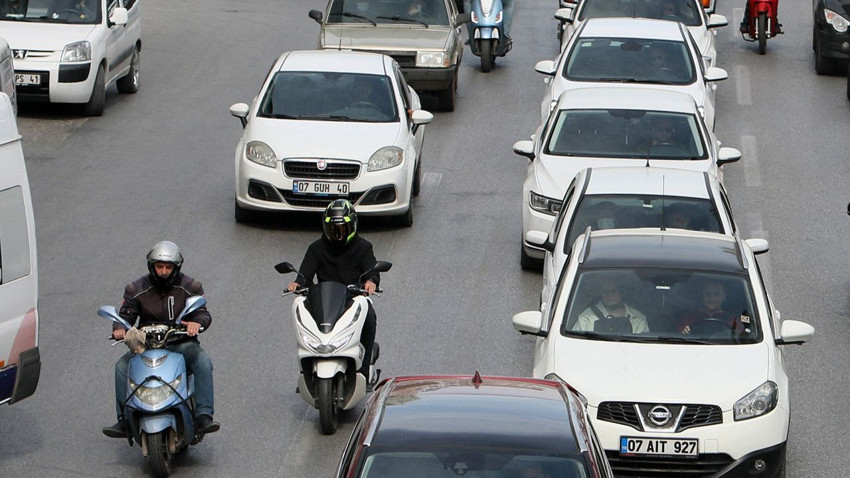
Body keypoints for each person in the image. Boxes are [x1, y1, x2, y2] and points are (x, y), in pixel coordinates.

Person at [103, 241, 220, 438]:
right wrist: (120, 328)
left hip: (180, 344)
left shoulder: (191, 286)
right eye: (159, 267)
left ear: (176, 268)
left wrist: (196, 323)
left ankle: (203, 415)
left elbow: (203, 313)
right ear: (151, 267)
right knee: (122, 367)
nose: (164, 272)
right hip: (146, 346)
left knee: (203, 361)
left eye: (168, 267)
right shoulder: (135, 288)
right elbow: (125, 316)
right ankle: (124, 420)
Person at [287, 199, 380, 384]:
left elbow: (372, 271)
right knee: (299, 306)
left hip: (354, 299)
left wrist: (370, 282)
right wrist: (297, 284)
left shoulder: (364, 247)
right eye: (333, 230)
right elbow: (304, 274)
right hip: (324, 301)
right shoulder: (316, 249)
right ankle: (306, 366)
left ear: (351, 226)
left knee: (370, 317)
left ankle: (364, 367)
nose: (338, 235)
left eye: (342, 229)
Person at [573, 278, 649, 333]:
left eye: (614, 291)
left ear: (621, 292)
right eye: (606, 292)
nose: (610, 295)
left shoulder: (638, 319)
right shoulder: (586, 318)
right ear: (601, 294)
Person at [677, 280, 751, 335]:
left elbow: (740, 339)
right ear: (702, 296)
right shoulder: (689, 318)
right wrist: (684, 333)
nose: (711, 299)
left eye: (716, 294)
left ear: (724, 296)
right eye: (708, 294)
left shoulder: (733, 320)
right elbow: (679, 337)